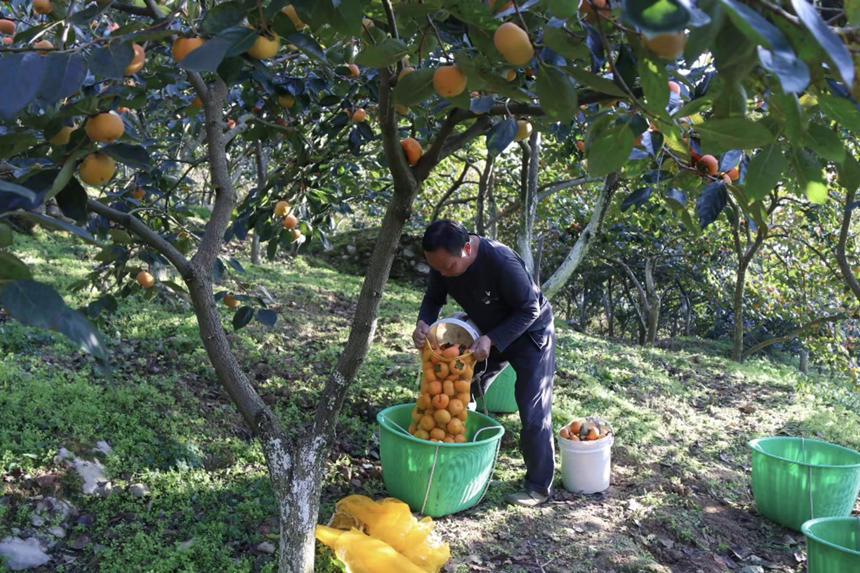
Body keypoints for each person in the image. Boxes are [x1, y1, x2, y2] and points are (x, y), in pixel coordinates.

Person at [411, 219, 556, 507]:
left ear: (466, 249)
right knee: (459, 388)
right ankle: (455, 454)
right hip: (484, 333)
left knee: (532, 407)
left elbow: (530, 308)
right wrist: (422, 322)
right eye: (436, 268)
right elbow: (433, 296)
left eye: (448, 268)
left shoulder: (500, 261)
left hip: (530, 333)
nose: (442, 273)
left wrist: (493, 338)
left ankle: (538, 486)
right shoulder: (444, 261)